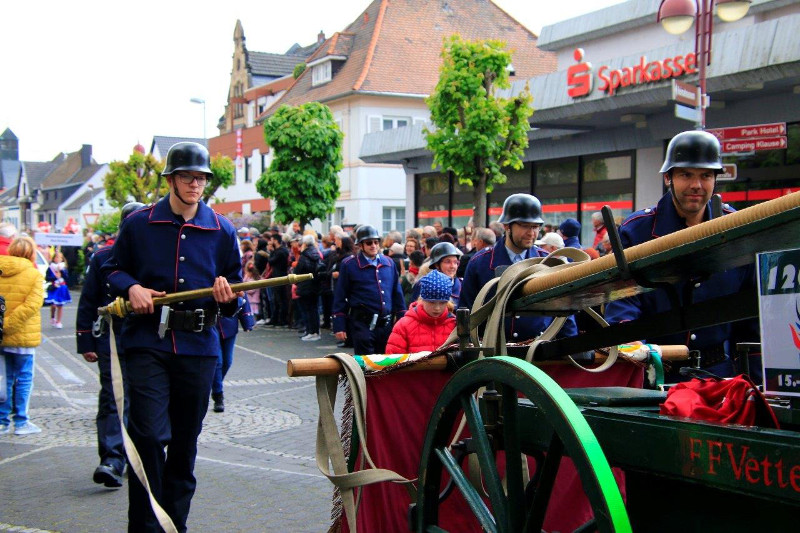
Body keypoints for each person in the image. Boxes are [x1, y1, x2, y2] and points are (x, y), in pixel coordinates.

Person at [100, 141, 242, 532]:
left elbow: (237, 294)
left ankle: (174, 524)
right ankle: (145, 527)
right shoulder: (139, 223)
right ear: (171, 180)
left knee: (184, 443)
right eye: (187, 176)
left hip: (198, 347)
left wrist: (228, 297)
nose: (195, 184)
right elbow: (110, 269)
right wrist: (131, 288)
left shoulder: (222, 229)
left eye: (201, 177)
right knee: (146, 435)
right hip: (147, 341)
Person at [604, 130, 759, 380]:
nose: (696, 185)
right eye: (686, 175)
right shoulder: (637, 231)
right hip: (655, 375)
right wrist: (637, 356)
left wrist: (756, 383)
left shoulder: (737, 230)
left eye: (705, 175)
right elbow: (622, 309)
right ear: (669, 177)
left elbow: (753, 319)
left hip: (719, 379)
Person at [75, 201, 144, 488]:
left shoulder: (153, 257)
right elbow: (90, 298)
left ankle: (140, 454)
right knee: (113, 396)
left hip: (147, 335)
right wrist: (85, 339)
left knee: (146, 397)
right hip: (112, 337)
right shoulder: (103, 256)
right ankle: (113, 458)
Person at [461, 193, 578, 341]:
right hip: (492, 353)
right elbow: (465, 313)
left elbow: (565, 312)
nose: (531, 233)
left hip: (540, 351)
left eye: (535, 227)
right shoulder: (479, 263)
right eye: (524, 226)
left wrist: (570, 350)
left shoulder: (548, 262)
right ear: (507, 226)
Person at [333, 225, 406, 355]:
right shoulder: (349, 265)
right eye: (369, 243)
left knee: (386, 364)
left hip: (386, 325)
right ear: (360, 245)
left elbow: (397, 294)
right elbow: (340, 296)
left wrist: (402, 320)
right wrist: (339, 325)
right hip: (362, 325)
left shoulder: (388, 263)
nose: (373, 245)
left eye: (376, 242)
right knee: (366, 366)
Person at [0, 236, 45, 435]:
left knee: (5, 378)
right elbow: (32, 306)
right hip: (23, 336)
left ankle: (2, 421)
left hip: (0, 336)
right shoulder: (34, 275)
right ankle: (21, 421)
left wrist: (2, 325)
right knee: (24, 377)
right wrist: (9, 325)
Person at [386, 270, 456, 354]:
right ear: (422, 299)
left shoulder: (455, 325)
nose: (437, 308)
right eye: (432, 302)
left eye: (442, 303)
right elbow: (393, 360)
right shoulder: (404, 326)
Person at [211, 296, 255, 412]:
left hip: (229, 324)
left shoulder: (231, 277)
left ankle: (214, 383)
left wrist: (247, 321)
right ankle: (218, 395)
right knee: (218, 363)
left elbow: (242, 296)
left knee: (227, 361)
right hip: (211, 326)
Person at [411, 242, 462, 307]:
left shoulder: (462, 285)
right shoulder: (423, 284)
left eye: (455, 262)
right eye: (447, 262)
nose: (453, 266)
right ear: (437, 265)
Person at [294, 234, 323, 342]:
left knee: (308, 310)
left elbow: (297, 271)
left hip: (305, 286)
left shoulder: (304, 256)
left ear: (305, 244)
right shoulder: (316, 254)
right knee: (314, 309)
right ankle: (315, 331)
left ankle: (311, 331)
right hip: (315, 285)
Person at [266, 233, 290, 327]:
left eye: (271, 240)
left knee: (281, 299)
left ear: (275, 240)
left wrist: (271, 252)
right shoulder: (280, 251)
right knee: (276, 299)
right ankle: (275, 318)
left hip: (280, 276)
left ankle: (282, 319)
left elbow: (271, 261)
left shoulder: (281, 252)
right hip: (276, 275)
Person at [45, 250, 71, 328]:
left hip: (62, 287)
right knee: (53, 305)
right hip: (54, 287)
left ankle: (59, 321)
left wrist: (62, 272)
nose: (58, 259)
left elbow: (67, 278)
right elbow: (47, 278)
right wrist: (55, 277)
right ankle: (52, 317)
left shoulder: (63, 268)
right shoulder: (50, 268)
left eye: (60, 257)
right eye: (56, 257)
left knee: (60, 305)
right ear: (54, 258)